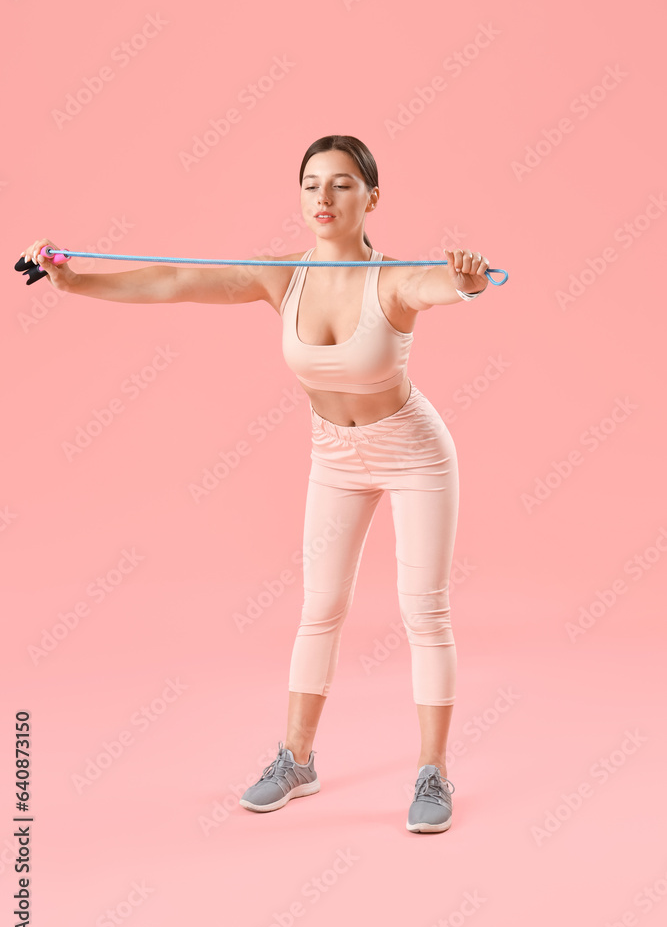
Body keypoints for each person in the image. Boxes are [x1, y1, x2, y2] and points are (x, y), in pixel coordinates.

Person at [21, 134, 491, 834]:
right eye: (309, 185)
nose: (322, 198)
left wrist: (466, 279)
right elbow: (175, 282)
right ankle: (296, 760)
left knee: (423, 611)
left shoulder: (395, 278)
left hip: (414, 453)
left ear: (372, 197)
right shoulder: (281, 275)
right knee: (319, 607)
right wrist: (78, 280)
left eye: (339, 184)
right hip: (334, 456)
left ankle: (433, 773)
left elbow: (444, 286)